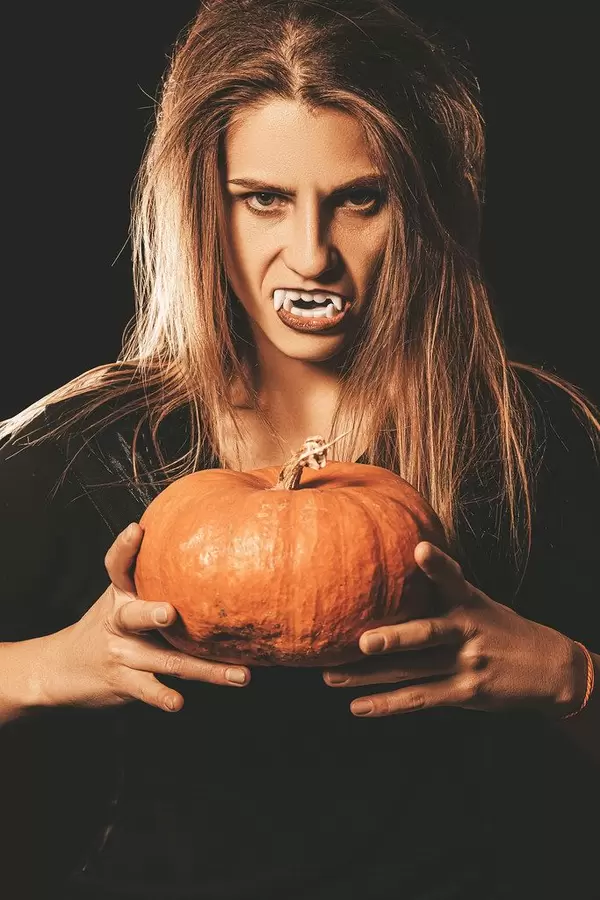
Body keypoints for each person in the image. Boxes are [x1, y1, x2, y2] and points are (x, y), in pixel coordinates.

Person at [1, 1, 598, 898]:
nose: (311, 255)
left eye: (360, 199)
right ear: (205, 207)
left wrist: (569, 676)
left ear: (421, 206)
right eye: (265, 200)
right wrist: (48, 667)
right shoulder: (94, 443)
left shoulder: (531, 439)